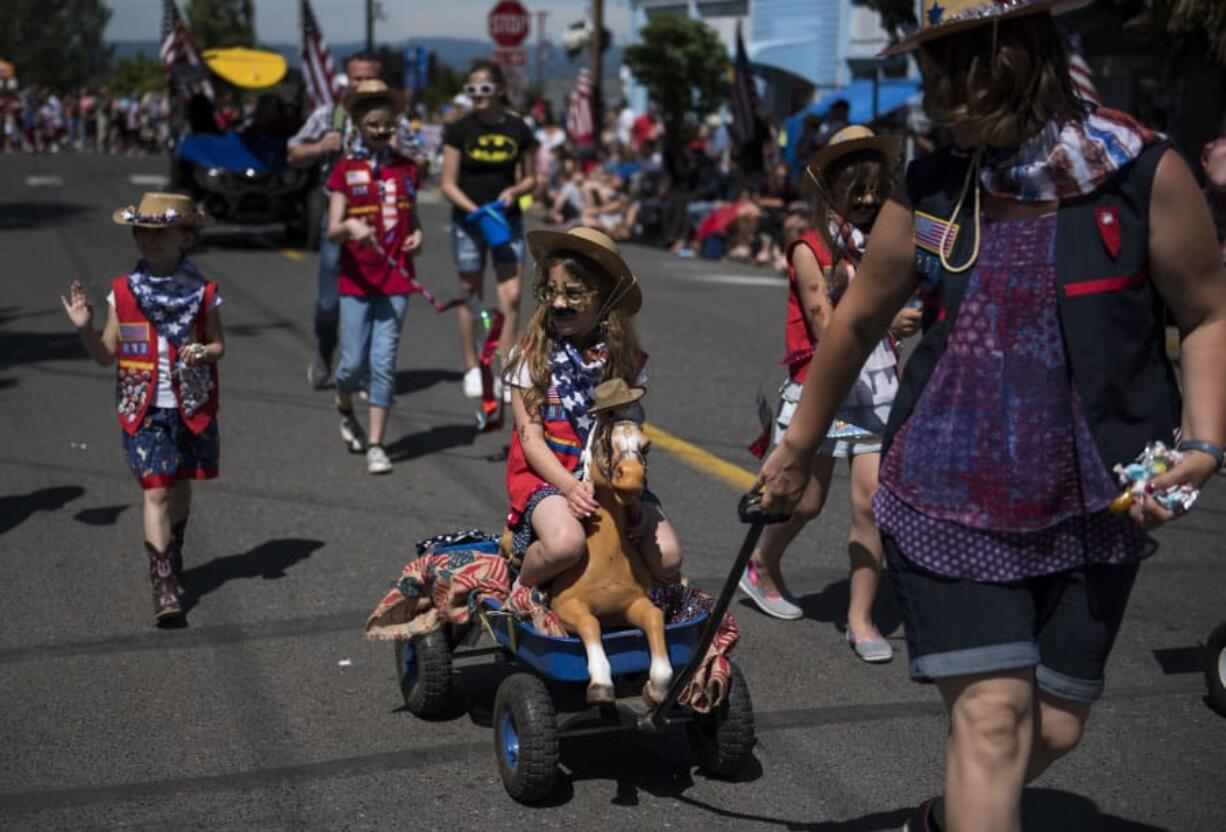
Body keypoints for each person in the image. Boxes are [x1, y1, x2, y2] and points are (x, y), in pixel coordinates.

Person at [758, 2, 1226, 829]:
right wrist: (798, 446)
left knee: (1056, 722)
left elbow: (1208, 314)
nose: (933, 88)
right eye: (930, 64)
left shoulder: (1143, 175)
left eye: (952, 63)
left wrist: (1204, 443)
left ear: (1017, 54)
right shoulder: (936, 185)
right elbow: (859, 319)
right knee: (992, 716)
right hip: (946, 495)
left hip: (1099, 500)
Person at [741, 127, 920, 667]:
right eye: (854, 188)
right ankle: (762, 567)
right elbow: (827, 329)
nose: (865, 200)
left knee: (871, 504)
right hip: (821, 384)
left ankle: (861, 618)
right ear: (830, 188)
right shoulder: (808, 248)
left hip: (876, 387)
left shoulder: (889, 246)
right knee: (807, 500)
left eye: (874, 188)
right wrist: (891, 316)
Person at [60, 193, 224, 626]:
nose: (147, 241)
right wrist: (85, 330)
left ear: (185, 237)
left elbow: (217, 344)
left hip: (191, 403)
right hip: (144, 407)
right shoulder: (123, 293)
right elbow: (104, 354)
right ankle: (164, 582)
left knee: (182, 482)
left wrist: (201, 352)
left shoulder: (204, 293)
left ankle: (174, 543)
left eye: (159, 233)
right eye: (141, 233)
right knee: (155, 489)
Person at [503, 227, 681, 588]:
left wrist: (633, 502)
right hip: (548, 476)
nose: (557, 304)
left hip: (606, 475)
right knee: (566, 545)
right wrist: (569, 487)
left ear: (604, 299)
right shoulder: (531, 357)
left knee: (669, 557)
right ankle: (519, 591)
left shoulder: (625, 361)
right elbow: (530, 439)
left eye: (573, 294)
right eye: (551, 292)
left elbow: (627, 435)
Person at [288, 52, 421, 390]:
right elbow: (292, 152)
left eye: (368, 78)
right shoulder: (330, 116)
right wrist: (319, 147)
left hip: (386, 223)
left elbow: (423, 164)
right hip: (340, 216)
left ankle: (364, 368)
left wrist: (399, 150)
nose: (362, 85)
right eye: (356, 78)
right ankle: (325, 348)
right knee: (330, 300)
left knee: (379, 296)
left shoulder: (395, 122)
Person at [324, 80, 423, 475]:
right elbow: (332, 229)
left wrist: (417, 236)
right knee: (350, 365)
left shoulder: (407, 169)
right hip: (357, 280)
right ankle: (344, 403)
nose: (381, 131)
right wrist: (350, 226)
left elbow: (411, 219)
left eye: (388, 124)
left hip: (397, 280)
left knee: (383, 362)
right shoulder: (345, 170)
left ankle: (377, 444)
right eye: (373, 124)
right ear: (359, 124)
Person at [440, 60, 538, 400]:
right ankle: (472, 367)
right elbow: (447, 183)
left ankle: (508, 369)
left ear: (498, 90)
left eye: (484, 88)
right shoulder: (459, 130)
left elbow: (530, 177)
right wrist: (473, 210)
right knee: (470, 294)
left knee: (510, 296)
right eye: (472, 90)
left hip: (504, 219)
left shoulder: (518, 129)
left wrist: (514, 192)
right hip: (469, 220)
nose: (477, 95)